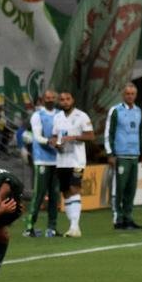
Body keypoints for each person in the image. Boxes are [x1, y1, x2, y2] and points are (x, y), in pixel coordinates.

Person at [51, 91, 94, 238]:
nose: (65, 102)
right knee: (66, 192)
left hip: (77, 160)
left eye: (67, 99)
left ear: (72, 100)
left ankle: (75, 226)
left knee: (74, 188)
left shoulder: (81, 116)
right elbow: (55, 137)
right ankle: (72, 227)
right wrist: (56, 143)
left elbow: (90, 135)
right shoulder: (57, 117)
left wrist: (74, 137)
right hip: (62, 160)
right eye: (62, 99)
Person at [104, 83, 142, 230]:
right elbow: (108, 132)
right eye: (127, 94)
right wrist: (110, 153)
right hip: (120, 155)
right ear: (123, 95)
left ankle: (128, 218)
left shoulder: (138, 111)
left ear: (136, 95)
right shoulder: (115, 111)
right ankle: (118, 219)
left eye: (132, 94)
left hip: (134, 155)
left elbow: (141, 133)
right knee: (119, 188)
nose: (130, 96)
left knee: (131, 189)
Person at [23, 90, 61, 237]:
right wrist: (49, 141)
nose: (50, 100)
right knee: (39, 194)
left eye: (53, 97)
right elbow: (37, 136)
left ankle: (51, 227)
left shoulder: (60, 114)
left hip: (57, 160)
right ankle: (29, 227)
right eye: (48, 98)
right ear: (43, 100)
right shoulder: (37, 115)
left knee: (54, 195)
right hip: (42, 160)